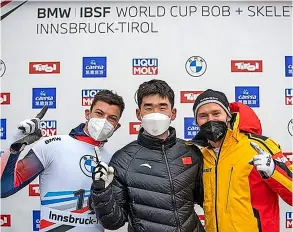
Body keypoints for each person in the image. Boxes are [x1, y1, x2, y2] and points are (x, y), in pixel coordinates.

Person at [0, 90, 125, 232]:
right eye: (99, 113)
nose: (104, 121)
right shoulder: (52, 145)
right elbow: (3, 188)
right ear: (87, 114)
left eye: (112, 118)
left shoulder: (111, 161)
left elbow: (114, 217)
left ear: (117, 126)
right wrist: (13, 148)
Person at [90, 79, 205, 232]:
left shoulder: (191, 152)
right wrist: (101, 192)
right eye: (149, 108)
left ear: (173, 113)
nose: (155, 114)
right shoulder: (123, 159)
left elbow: (209, 200)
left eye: (162, 107)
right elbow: (113, 222)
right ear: (139, 113)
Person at [191, 89, 292, 232]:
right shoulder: (201, 155)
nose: (210, 120)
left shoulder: (259, 146)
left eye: (216, 113)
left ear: (228, 115)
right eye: (203, 116)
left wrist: (274, 171)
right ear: (196, 121)